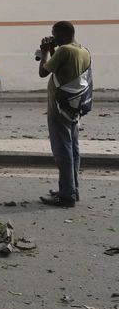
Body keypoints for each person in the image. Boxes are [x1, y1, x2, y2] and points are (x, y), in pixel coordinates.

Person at [37, 21, 92, 208]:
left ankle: (66, 196)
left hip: (59, 108)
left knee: (62, 151)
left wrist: (44, 51)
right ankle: (72, 189)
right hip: (74, 107)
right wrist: (53, 50)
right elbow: (61, 70)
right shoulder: (83, 50)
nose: (53, 38)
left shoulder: (63, 51)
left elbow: (43, 72)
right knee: (73, 149)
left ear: (61, 34)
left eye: (54, 35)